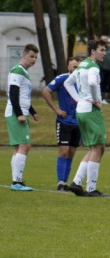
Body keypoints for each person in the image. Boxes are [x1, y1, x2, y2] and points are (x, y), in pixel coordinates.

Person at [68, 38, 110, 197]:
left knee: (95, 148)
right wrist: (96, 100)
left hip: (81, 110)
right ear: (93, 51)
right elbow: (93, 83)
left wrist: (79, 98)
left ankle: (77, 182)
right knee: (98, 148)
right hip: (91, 110)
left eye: (105, 50)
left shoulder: (81, 66)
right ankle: (91, 188)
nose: (104, 53)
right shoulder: (93, 67)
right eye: (102, 50)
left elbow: (68, 83)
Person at [42, 56, 83, 191]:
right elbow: (46, 91)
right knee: (63, 151)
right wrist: (57, 109)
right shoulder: (62, 78)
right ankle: (60, 183)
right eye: (74, 67)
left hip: (78, 122)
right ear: (68, 67)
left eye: (79, 66)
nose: (77, 69)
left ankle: (65, 182)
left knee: (71, 152)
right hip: (64, 121)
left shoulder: (83, 80)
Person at [5, 44, 40, 191]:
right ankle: (16, 182)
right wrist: (19, 113)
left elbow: (23, 96)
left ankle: (16, 180)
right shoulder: (17, 71)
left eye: (36, 57)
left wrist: (32, 112)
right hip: (15, 112)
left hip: (19, 111)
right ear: (23, 55)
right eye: (31, 56)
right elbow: (13, 94)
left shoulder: (23, 72)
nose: (33, 60)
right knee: (25, 145)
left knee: (18, 147)